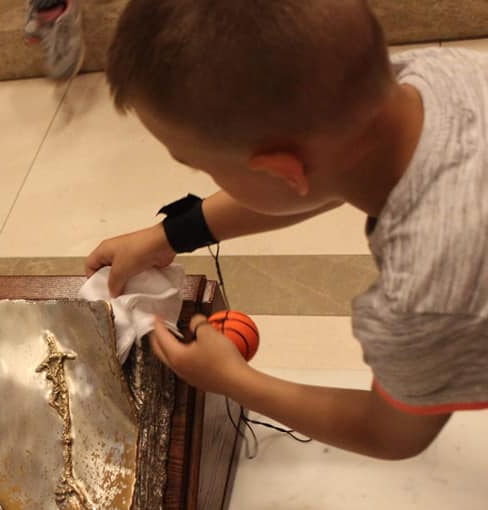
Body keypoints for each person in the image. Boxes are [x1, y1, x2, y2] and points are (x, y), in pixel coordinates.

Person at [85, 0, 488, 460]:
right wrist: (169, 236)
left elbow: (391, 433)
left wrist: (233, 379)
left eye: (203, 167)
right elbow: (325, 178)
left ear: (281, 171)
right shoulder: (440, 75)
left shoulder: (431, 290)